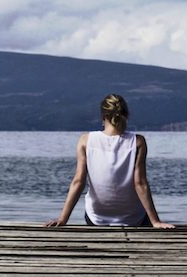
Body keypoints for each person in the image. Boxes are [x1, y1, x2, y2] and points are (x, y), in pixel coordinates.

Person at [45, 94, 175, 228]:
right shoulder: (137, 141)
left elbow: (78, 182)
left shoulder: (86, 140)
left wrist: (62, 219)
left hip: (96, 218)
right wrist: (155, 222)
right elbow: (140, 183)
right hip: (133, 219)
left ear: (103, 117)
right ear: (126, 115)